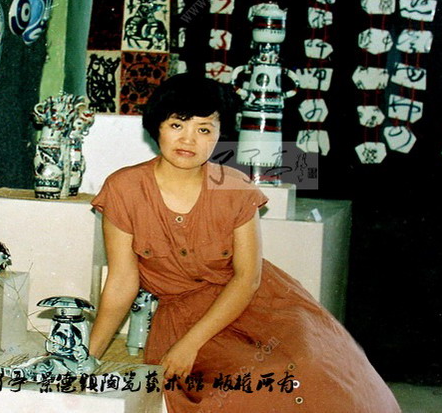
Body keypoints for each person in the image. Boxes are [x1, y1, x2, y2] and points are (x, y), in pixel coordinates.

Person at [89, 73, 401, 412]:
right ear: (157, 126)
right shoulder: (124, 188)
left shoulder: (235, 185)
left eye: (204, 129)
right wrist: (87, 356)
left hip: (256, 304)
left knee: (308, 372)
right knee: (236, 393)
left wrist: (191, 344)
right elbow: (122, 282)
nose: (189, 139)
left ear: (220, 135)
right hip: (181, 319)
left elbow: (248, 278)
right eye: (177, 125)